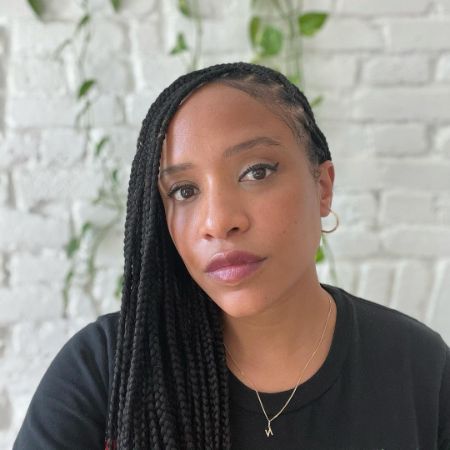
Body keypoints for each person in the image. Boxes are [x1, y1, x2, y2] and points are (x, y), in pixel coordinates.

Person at [13, 62, 450, 450]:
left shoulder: (418, 368)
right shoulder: (106, 370)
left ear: (323, 186)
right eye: (184, 191)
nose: (218, 221)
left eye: (256, 171)